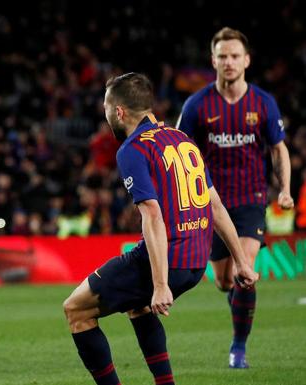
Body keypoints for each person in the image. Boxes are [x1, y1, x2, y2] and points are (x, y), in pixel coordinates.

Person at [63, 73, 259, 385]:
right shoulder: (183, 140)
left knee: (76, 310)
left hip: (170, 259)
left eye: (105, 108)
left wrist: (160, 284)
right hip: (196, 263)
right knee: (136, 306)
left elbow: (153, 216)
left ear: (119, 112)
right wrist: (242, 262)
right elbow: (216, 205)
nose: (105, 114)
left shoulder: (133, 149)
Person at [177, 27, 294, 368]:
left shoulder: (263, 103)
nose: (228, 62)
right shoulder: (196, 105)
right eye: (222, 56)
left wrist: (284, 188)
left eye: (234, 56)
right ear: (213, 60)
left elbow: (278, 149)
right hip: (210, 202)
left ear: (246, 60)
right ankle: (238, 302)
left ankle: (238, 349)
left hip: (250, 198)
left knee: (245, 267)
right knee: (225, 280)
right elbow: (179, 151)